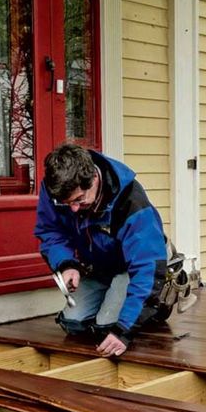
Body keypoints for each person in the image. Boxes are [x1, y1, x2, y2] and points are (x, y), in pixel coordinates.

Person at [34, 143, 168, 358]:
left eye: (79, 200)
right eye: (66, 203)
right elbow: (50, 231)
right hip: (99, 265)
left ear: (94, 179)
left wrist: (123, 331)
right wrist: (67, 264)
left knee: (108, 326)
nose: (73, 209)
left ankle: (161, 299)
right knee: (73, 323)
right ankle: (114, 297)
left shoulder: (130, 202)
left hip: (136, 266)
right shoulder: (55, 188)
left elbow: (147, 269)